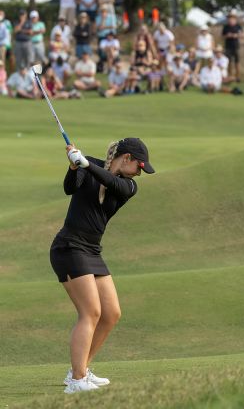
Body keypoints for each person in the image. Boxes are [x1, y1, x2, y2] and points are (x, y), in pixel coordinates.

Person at [49, 137, 155, 394]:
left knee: (111, 313)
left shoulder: (128, 186)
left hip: (92, 250)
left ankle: (82, 369)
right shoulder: (89, 166)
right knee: (91, 312)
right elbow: (69, 188)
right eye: (139, 166)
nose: (140, 173)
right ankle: (76, 381)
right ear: (126, 158)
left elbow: (110, 181)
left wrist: (84, 163)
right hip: (69, 247)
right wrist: (74, 167)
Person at [222, 9, 244, 82]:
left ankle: (238, 77)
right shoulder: (226, 27)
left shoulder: (238, 26)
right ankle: (230, 77)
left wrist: (236, 35)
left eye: (232, 18)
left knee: (237, 62)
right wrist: (228, 36)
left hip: (236, 46)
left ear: (235, 18)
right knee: (229, 62)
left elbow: (242, 35)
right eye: (229, 18)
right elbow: (223, 36)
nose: (230, 19)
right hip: (228, 47)